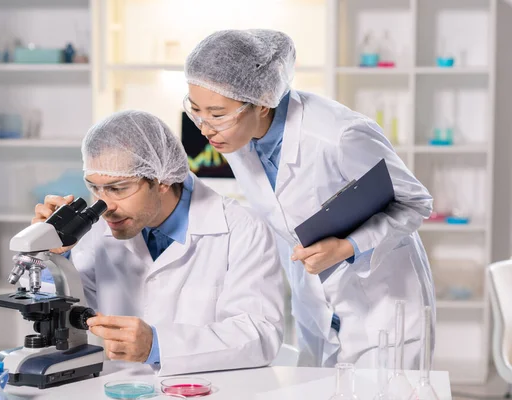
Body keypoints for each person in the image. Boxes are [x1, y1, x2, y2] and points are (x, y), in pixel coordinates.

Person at [183, 29, 436, 368]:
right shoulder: (236, 137)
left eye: (216, 114)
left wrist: (347, 247)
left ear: (260, 102)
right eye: (195, 110)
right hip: (316, 306)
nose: (204, 128)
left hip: (384, 302)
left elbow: (416, 203)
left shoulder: (339, 135)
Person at [31, 110, 285, 376]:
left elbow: (260, 334)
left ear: (162, 180)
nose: (105, 206)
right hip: (119, 386)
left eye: (118, 188)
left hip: (206, 389)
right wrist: (50, 256)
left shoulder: (242, 230)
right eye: (95, 188)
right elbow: (61, 315)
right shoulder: (97, 230)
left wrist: (158, 346)